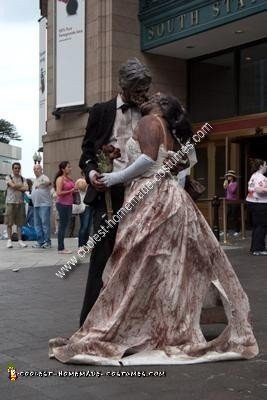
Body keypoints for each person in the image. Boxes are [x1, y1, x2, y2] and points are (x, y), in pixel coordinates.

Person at [49, 93, 258, 365]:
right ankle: (161, 323)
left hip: (150, 198)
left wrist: (114, 177)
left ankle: (136, 323)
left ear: (163, 107)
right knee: (163, 267)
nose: (152, 95)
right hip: (172, 198)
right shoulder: (171, 131)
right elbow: (184, 161)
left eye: (158, 96)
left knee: (135, 263)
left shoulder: (150, 121)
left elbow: (147, 160)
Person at [78, 58, 152, 326]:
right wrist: (91, 173)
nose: (141, 94)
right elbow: (86, 152)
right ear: (122, 85)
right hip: (107, 197)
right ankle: (89, 325)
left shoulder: (150, 113)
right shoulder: (101, 111)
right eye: (137, 88)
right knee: (101, 258)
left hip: (143, 194)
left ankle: (133, 323)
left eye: (144, 88)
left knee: (139, 259)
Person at [246, 158, 267, 256]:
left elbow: (251, 188)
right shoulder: (261, 177)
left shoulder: (253, 176)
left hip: (252, 202)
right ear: (261, 166)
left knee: (256, 226)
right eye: (265, 165)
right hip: (260, 203)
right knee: (261, 226)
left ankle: (254, 248)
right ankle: (258, 248)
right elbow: (259, 189)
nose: (266, 166)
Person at [5, 162, 28, 248]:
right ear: (12, 169)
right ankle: (9, 240)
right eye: (15, 168)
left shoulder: (23, 178)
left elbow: (26, 188)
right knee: (9, 222)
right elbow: (12, 186)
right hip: (10, 202)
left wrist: (16, 186)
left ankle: (20, 240)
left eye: (18, 168)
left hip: (20, 202)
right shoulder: (8, 177)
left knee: (20, 223)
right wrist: (20, 186)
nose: (17, 169)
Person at [54, 161, 76, 254]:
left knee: (65, 225)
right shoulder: (60, 179)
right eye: (68, 167)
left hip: (69, 204)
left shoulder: (69, 179)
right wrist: (71, 190)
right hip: (62, 204)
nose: (70, 168)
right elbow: (58, 192)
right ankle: (60, 248)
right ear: (63, 169)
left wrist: (75, 190)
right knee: (62, 226)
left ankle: (62, 247)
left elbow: (72, 190)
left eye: (70, 167)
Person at [31, 164, 52, 249]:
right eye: (34, 169)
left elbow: (48, 182)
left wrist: (41, 183)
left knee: (45, 224)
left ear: (41, 169)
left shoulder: (44, 177)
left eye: (38, 169)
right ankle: (40, 241)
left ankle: (47, 242)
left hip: (44, 204)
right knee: (37, 224)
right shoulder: (34, 180)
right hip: (36, 205)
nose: (36, 170)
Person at [72, 177, 93, 249]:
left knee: (88, 227)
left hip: (91, 206)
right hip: (84, 207)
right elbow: (82, 187)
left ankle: (85, 244)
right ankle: (80, 245)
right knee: (84, 226)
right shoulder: (81, 181)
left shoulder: (91, 181)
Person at [223, 170, 240, 237]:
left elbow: (232, 191)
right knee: (227, 216)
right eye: (228, 176)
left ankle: (237, 230)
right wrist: (225, 187)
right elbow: (227, 192)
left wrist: (227, 186)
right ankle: (226, 231)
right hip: (228, 201)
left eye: (229, 176)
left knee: (234, 216)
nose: (228, 177)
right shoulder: (228, 183)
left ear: (233, 177)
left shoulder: (235, 183)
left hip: (234, 201)